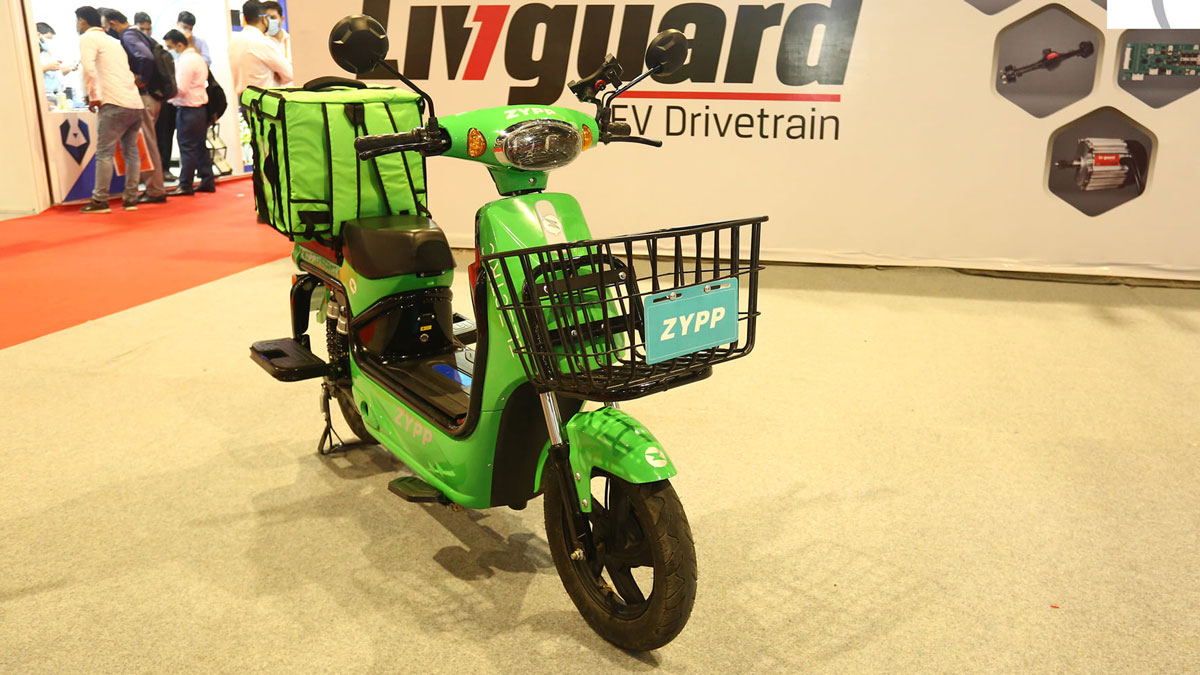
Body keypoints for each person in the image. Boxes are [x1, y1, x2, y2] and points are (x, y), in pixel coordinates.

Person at [76, 5, 145, 214]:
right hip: (134, 102)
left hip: (113, 102)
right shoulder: (114, 42)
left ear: (82, 21)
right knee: (131, 151)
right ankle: (131, 199)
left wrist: (93, 96)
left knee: (104, 153)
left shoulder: (88, 38)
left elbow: (88, 69)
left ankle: (100, 200)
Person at [103, 9, 167, 205]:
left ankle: (155, 189)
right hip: (152, 96)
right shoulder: (137, 34)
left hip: (145, 96)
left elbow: (145, 57)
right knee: (148, 143)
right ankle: (154, 187)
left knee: (147, 144)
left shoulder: (129, 36)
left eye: (105, 24)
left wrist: (140, 79)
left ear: (112, 23)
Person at [163, 29, 213, 196]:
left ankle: (185, 184)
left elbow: (181, 89)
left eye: (170, 47)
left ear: (179, 45)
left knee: (187, 148)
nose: (170, 51)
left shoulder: (186, 61)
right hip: (199, 109)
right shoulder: (198, 59)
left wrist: (165, 97)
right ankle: (207, 180)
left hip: (188, 109)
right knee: (199, 146)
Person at [228, 0, 293, 96]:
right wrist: (275, 75)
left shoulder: (234, 41)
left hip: (244, 98)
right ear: (263, 19)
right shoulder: (262, 41)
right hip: (264, 99)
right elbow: (289, 74)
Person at [36, 23, 77, 96]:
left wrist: (70, 68)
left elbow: (56, 75)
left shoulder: (47, 54)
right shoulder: (32, 53)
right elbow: (30, 73)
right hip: (44, 93)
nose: (47, 42)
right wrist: (46, 67)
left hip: (57, 92)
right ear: (38, 35)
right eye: (47, 39)